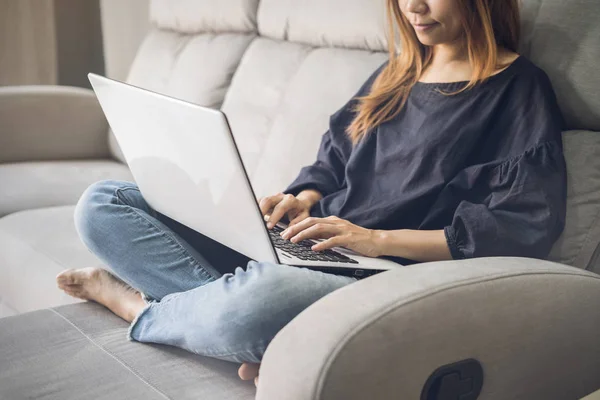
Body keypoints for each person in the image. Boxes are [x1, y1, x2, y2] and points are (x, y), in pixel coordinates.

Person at [57, 0, 567, 387]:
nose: (414, 6)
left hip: (384, 273)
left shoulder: (518, 88)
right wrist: (302, 195)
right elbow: (334, 158)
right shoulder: (397, 72)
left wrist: (376, 240)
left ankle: (139, 309)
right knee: (104, 203)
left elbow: (520, 226)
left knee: (258, 299)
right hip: (313, 240)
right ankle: (241, 322)